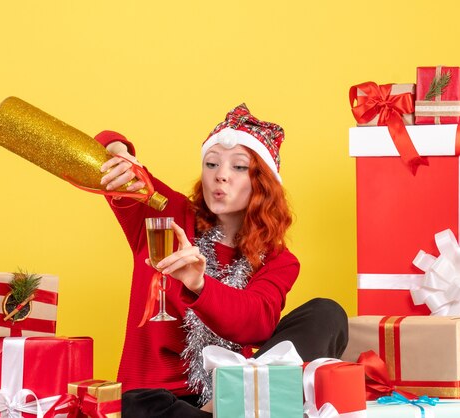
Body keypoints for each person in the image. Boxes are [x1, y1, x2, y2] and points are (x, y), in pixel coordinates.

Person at [95, 104, 348, 418]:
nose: (221, 176)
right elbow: (99, 145)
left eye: (239, 167)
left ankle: (231, 401)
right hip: (159, 401)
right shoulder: (166, 212)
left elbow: (257, 324)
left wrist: (200, 285)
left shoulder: (278, 259)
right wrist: (118, 152)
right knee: (137, 404)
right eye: (211, 163)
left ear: (263, 183)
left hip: (228, 395)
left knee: (327, 313)